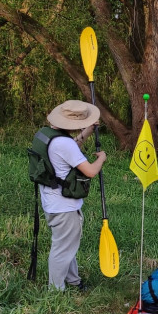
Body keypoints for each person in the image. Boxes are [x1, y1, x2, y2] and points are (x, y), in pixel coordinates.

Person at [39, 100, 107, 290]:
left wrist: (88, 131)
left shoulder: (49, 136)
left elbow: (71, 145)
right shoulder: (64, 143)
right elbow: (91, 171)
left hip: (51, 201)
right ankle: (55, 291)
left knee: (67, 245)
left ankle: (73, 281)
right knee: (62, 249)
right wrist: (101, 158)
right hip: (64, 207)